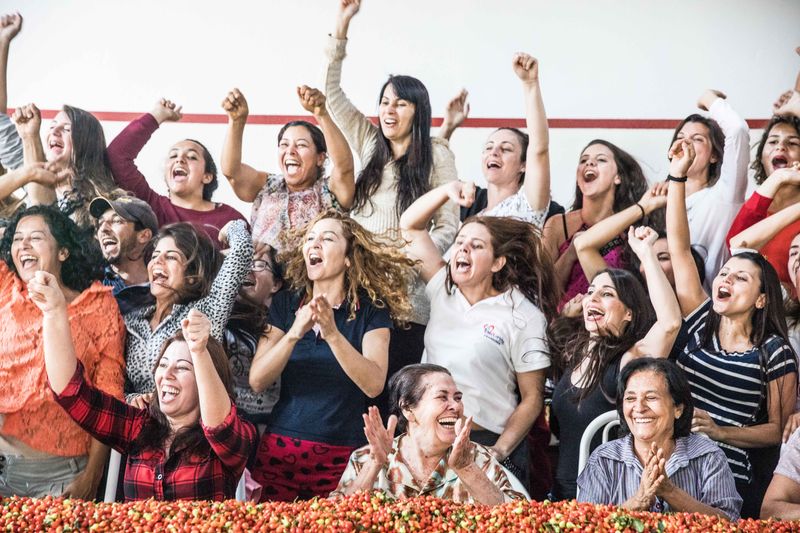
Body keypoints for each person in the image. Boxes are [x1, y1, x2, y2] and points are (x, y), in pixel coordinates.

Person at [324, 0, 459, 378]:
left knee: (398, 398)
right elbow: (331, 94)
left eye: (400, 104)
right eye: (384, 102)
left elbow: (448, 227)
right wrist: (341, 25)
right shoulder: (369, 144)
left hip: (407, 303)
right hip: (359, 295)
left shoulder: (436, 153)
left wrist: (407, 265)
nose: (389, 110)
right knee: (356, 396)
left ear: (418, 111)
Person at [667, 138, 798, 519]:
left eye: (741, 278)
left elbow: (777, 430)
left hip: (726, 474)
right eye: (724, 272)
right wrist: (677, 177)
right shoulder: (700, 324)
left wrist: (719, 431)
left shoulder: (773, 350)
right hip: (671, 460)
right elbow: (678, 249)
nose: (725, 277)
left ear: (761, 299)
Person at [400, 183, 559, 488]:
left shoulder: (524, 316)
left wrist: (499, 450)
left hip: (486, 441)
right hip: (426, 439)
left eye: (476, 245)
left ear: (498, 262)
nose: (463, 249)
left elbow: (532, 398)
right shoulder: (442, 289)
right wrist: (448, 190)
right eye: (460, 242)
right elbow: (410, 226)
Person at [249, 209, 415, 501]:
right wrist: (294, 333)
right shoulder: (286, 303)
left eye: (327, 238)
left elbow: (374, 383)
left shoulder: (372, 313)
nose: (315, 244)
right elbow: (258, 380)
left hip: (344, 454)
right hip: (281, 449)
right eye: (310, 238)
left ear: (349, 257)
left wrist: (332, 333)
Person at [38, 288, 257, 502]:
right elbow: (72, 394)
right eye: (163, 365)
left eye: (182, 368)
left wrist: (199, 351)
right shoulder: (139, 425)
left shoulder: (238, 436)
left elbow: (220, 427)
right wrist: (54, 312)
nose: (167, 375)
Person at [549, 225, 682, 500]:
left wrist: (646, 254)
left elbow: (670, 323)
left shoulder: (631, 359)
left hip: (611, 496)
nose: (592, 299)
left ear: (629, 314)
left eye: (607, 294)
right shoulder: (576, 352)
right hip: (563, 494)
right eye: (591, 291)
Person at [0, 204, 124, 498]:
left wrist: (92, 475)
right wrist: (27, 174)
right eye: (17, 238)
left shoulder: (98, 306)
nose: (24, 245)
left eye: (36, 238)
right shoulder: (6, 285)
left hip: (57, 477)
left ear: (63, 252)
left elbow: (108, 398)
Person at [332, 364, 527, 503]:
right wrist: (374, 465)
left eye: (457, 398)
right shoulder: (364, 458)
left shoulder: (477, 459)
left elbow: (518, 520)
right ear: (408, 409)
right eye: (442, 397)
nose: (455, 406)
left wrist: (467, 469)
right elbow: (333, 520)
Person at [577, 357, 741, 520]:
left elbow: (730, 523)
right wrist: (637, 502)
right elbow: (583, 524)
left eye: (651, 397)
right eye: (630, 398)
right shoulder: (603, 459)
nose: (639, 408)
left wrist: (670, 492)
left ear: (678, 408)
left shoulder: (708, 456)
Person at [124, 219, 252, 403]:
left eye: (171, 257)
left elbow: (242, 252)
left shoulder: (203, 313)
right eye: (154, 255)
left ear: (192, 277)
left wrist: (232, 227)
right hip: (140, 426)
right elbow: (117, 385)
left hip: (189, 427)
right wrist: (132, 399)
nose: (157, 261)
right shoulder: (131, 320)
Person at [221, 86, 355, 251]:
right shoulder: (267, 185)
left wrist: (322, 114)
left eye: (301, 145)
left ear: (320, 158)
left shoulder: (330, 191)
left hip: (314, 275)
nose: (290, 151)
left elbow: (344, 167)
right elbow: (232, 172)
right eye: (284, 145)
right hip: (261, 272)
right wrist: (237, 122)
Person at [437, 52, 553, 228]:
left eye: (506, 149)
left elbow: (539, 148)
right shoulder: (471, 212)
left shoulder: (527, 206)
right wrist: (447, 127)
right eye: (488, 147)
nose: (494, 152)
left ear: (524, 165)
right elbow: (435, 177)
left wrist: (530, 84)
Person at [106, 98, 245, 244]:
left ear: (207, 176)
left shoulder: (231, 220)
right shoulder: (151, 207)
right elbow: (117, 156)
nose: (179, 160)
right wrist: (156, 116)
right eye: (173, 156)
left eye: (192, 157)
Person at [542, 139, 648, 310]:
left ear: (618, 177)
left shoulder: (632, 227)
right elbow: (543, 291)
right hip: (562, 325)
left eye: (601, 160)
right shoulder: (558, 224)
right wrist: (570, 255)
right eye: (583, 160)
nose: (589, 162)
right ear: (578, 179)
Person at [669, 90, 749, 288]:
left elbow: (737, 131)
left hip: (710, 309)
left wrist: (708, 99)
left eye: (697, 139)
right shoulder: (657, 202)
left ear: (714, 156)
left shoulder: (724, 196)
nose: (685, 143)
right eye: (680, 137)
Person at [223, 242, 284, 425]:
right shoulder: (219, 317)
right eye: (241, 261)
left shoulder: (288, 323)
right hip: (224, 424)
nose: (246, 268)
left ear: (276, 284)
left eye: (258, 264)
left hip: (271, 428)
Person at [89, 195, 158, 315]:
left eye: (117, 221)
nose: (103, 229)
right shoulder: (91, 284)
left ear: (144, 236)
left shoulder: (166, 285)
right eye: (100, 223)